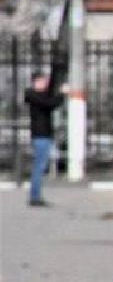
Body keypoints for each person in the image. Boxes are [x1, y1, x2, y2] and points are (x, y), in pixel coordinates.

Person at [23, 70, 64, 207]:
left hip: (43, 134)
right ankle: (34, 197)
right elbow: (50, 104)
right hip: (40, 135)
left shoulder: (37, 95)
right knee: (39, 167)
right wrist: (62, 94)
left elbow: (49, 101)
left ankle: (36, 195)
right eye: (43, 81)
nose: (46, 83)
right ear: (37, 81)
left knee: (40, 166)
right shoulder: (33, 95)